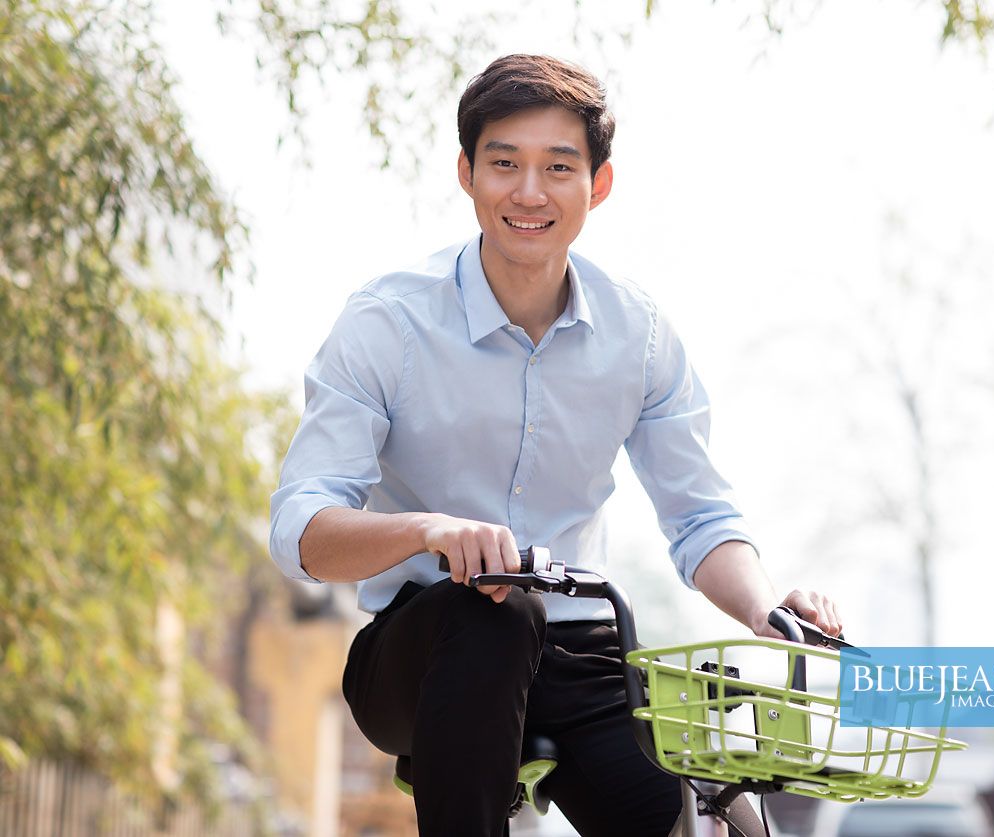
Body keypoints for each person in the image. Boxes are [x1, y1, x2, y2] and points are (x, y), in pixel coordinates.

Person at [269, 53, 842, 837]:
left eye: (557, 167)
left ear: (596, 185)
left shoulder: (636, 337)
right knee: (493, 618)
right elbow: (301, 531)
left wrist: (768, 608)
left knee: (688, 814)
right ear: (467, 173)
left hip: (581, 659)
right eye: (504, 164)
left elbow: (701, 516)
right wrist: (429, 531)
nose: (529, 192)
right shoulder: (386, 324)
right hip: (422, 652)